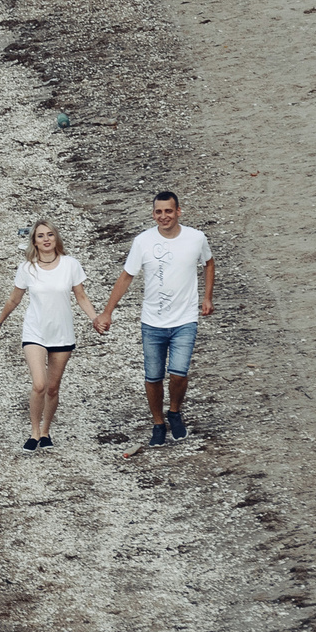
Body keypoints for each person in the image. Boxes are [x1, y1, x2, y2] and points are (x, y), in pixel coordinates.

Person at [93, 190, 214, 448]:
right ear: (153, 214)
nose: (164, 216)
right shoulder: (143, 241)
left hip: (185, 319)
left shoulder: (196, 238)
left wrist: (207, 297)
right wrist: (107, 311)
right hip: (152, 321)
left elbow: (209, 263)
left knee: (179, 373)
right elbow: (126, 276)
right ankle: (158, 423)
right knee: (153, 376)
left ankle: (175, 411)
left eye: (168, 211)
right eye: (158, 212)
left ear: (178, 211)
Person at [0, 220, 94, 452]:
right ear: (34, 241)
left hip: (62, 334)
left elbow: (81, 297)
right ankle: (34, 433)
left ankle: (45, 432)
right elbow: (14, 299)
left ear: (56, 238)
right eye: (41, 236)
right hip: (35, 332)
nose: (46, 239)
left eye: (50, 235)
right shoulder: (27, 268)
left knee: (53, 388)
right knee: (39, 384)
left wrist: (96, 318)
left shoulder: (70, 264)